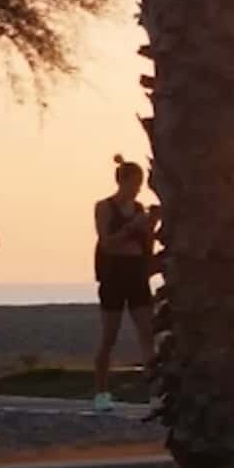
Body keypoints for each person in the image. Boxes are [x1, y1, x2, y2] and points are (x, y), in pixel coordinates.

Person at [90, 157, 160, 412]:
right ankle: (101, 392)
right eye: (134, 183)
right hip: (114, 274)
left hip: (136, 273)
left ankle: (155, 393)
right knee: (110, 336)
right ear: (123, 181)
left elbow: (146, 242)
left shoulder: (139, 209)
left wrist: (151, 223)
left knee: (147, 334)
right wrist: (132, 227)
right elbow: (107, 242)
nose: (137, 189)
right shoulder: (105, 207)